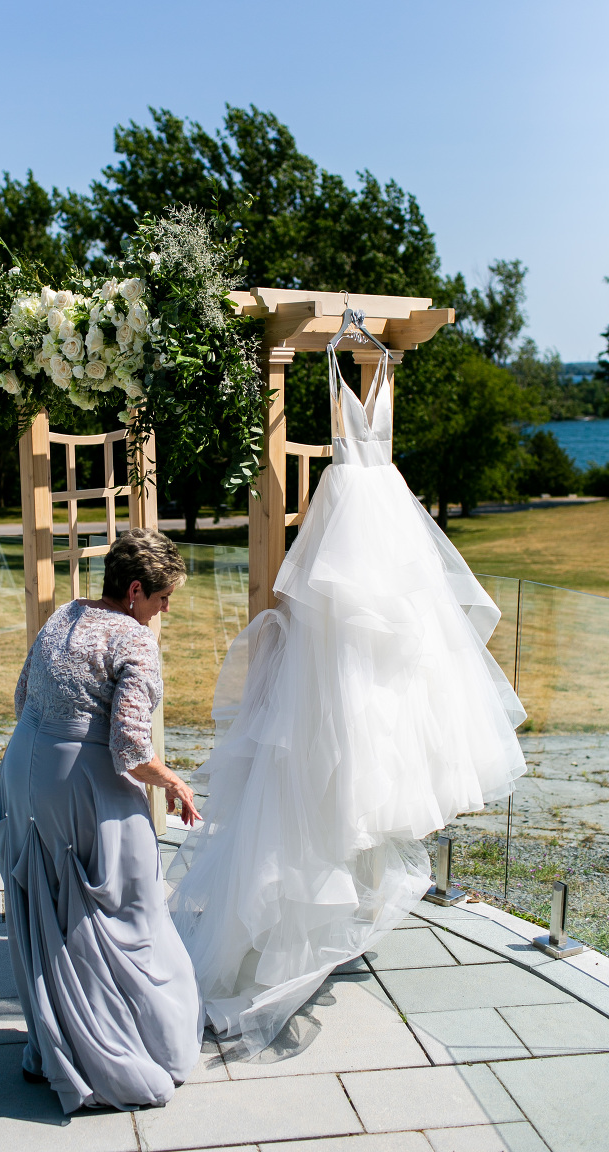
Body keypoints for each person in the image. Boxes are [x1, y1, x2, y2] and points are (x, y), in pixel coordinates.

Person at [168, 344, 527, 1056]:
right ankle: (319, 906)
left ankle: (338, 892)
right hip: (373, 530)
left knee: (379, 679)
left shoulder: (370, 369)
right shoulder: (345, 365)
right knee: (347, 680)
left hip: (370, 532)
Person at [0, 528, 203, 1114]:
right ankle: (111, 1055)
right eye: (162, 598)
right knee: (121, 906)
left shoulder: (64, 615)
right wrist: (174, 780)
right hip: (82, 783)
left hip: (26, 769)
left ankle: (54, 1045)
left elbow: (23, 694)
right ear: (134, 591)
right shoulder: (134, 638)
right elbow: (130, 748)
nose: (165, 610)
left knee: (49, 903)